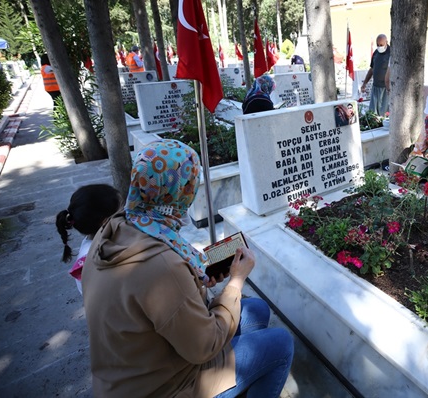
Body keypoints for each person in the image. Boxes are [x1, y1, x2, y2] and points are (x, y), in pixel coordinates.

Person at [82, 139, 294, 397]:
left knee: (256, 310)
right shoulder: (163, 268)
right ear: (178, 191)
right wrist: (236, 280)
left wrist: (194, 278)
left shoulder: (118, 226)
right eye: (191, 184)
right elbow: (204, 346)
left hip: (133, 371)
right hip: (167, 386)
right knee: (281, 343)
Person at [55, 184, 123, 295]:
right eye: (122, 211)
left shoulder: (95, 241)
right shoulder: (99, 258)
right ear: (105, 221)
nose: (126, 214)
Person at [360, 34, 391, 116]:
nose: (379, 46)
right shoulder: (376, 53)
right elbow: (372, 69)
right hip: (375, 87)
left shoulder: (391, 53)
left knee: (384, 114)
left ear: (386, 42)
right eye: (378, 45)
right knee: (372, 114)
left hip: (386, 89)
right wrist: (364, 83)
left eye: (381, 45)